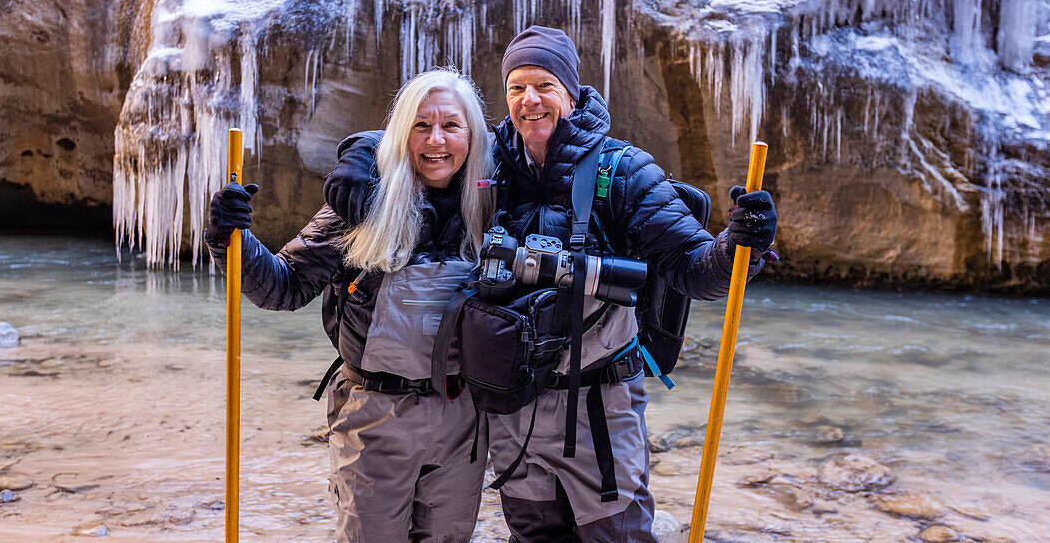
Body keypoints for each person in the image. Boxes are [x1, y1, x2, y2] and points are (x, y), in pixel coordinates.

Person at [326, 26, 779, 542]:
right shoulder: (491, 161)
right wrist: (362, 153)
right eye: (517, 87)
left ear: (570, 90)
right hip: (514, 412)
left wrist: (740, 244)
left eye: (543, 84)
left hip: (597, 410)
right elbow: (428, 140)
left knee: (619, 536)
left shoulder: (623, 172)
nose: (530, 100)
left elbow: (693, 267)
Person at [203, 68, 494, 543]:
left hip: (462, 417)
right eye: (420, 125)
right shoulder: (362, 204)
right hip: (374, 416)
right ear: (401, 133)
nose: (435, 140)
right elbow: (283, 285)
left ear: (473, 135)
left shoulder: (494, 205)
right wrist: (228, 236)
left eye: (450, 126)